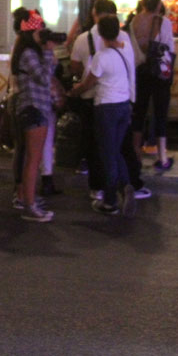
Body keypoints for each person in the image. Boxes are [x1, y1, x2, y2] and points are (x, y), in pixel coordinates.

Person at [69, 14, 137, 216]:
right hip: (124, 105)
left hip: (106, 107)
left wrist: (73, 91)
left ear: (100, 33)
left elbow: (88, 83)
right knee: (115, 149)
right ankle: (125, 185)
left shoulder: (102, 57)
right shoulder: (125, 50)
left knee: (107, 154)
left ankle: (109, 201)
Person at [10, 8, 58, 223]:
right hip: (33, 108)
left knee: (32, 158)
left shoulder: (29, 52)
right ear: (32, 33)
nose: (44, 34)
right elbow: (43, 79)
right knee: (33, 159)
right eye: (41, 31)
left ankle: (30, 200)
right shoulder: (29, 54)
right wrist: (48, 53)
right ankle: (29, 204)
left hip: (36, 108)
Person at [130, 0, 176, 172]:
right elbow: (168, 49)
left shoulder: (133, 21)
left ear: (142, 3)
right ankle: (162, 157)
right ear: (158, 4)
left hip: (139, 72)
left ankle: (136, 156)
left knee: (138, 113)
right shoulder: (163, 22)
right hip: (159, 73)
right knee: (160, 113)